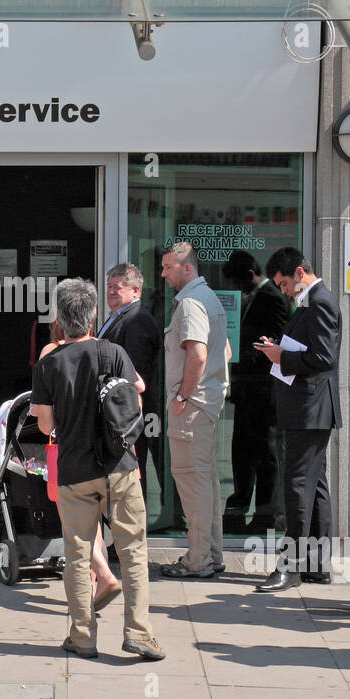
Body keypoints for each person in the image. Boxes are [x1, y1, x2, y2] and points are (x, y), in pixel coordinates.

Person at [30, 277, 164, 661]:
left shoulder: (49, 364)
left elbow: (44, 425)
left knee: (76, 554)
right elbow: (136, 386)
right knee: (133, 551)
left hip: (75, 471)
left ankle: (83, 636)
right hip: (120, 465)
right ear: (92, 317)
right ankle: (139, 633)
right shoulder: (114, 352)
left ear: (60, 317)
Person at [254, 247, 341, 592]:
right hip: (308, 408)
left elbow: (323, 357)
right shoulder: (311, 300)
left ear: (300, 273)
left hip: (311, 409)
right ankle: (317, 566)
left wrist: (281, 356)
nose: (284, 291)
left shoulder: (320, 301)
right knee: (314, 486)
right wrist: (280, 350)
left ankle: (289, 567)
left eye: (285, 283)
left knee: (298, 486)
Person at [158, 241, 230, 579]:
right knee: (206, 481)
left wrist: (183, 396)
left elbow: (198, 354)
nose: (162, 273)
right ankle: (210, 555)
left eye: (168, 267)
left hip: (193, 406)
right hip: (206, 403)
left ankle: (198, 560)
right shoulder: (209, 298)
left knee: (193, 482)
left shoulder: (189, 303)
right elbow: (225, 351)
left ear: (187, 268)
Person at [38, 323, 120, 614]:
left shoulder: (50, 354)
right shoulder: (103, 349)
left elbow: (44, 421)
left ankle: (101, 575)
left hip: (66, 450)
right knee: (93, 519)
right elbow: (136, 386)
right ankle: (98, 577)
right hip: (98, 451)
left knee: (73, 523)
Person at [221, 250, 291, 535]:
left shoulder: (272, 298)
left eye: (239, 283)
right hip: (248, 389)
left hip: (262, 389)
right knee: (242, 450)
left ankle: (264, 513)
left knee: (263, 452)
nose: (238, 290)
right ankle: (238, 508)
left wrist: (249, 356)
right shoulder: (256, 297)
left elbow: (275, 342)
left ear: (250, 275)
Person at [99, 263, 163, 495]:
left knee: (136, 471)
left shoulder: (137, 319)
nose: (111, 292)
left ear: (136, 291)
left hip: (134, 412)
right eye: (109, 287)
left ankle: (140, 526)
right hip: (124, 412)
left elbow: (136, 370)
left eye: (118, 287)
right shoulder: (119, 316)